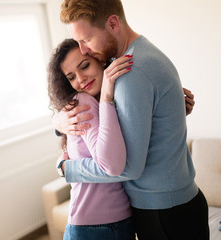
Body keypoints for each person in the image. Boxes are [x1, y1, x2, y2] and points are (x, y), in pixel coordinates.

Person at [55, 0, 209, 239]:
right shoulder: (144, 53)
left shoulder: (129, 72)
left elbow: (125, 167)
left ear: (113, 23)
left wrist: (67, 169)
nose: (83, 49)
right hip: (175, 205)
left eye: (86, 40)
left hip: (164, 212)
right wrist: (58, 124)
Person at [48, 38, 135, 239]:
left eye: (84, 66)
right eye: (71, 77)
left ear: (99, 59)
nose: (80, 79)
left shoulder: (116, 97)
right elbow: (111, 165)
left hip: (120, 220)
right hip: (92, 226)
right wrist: (105, 97)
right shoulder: (82, 102)